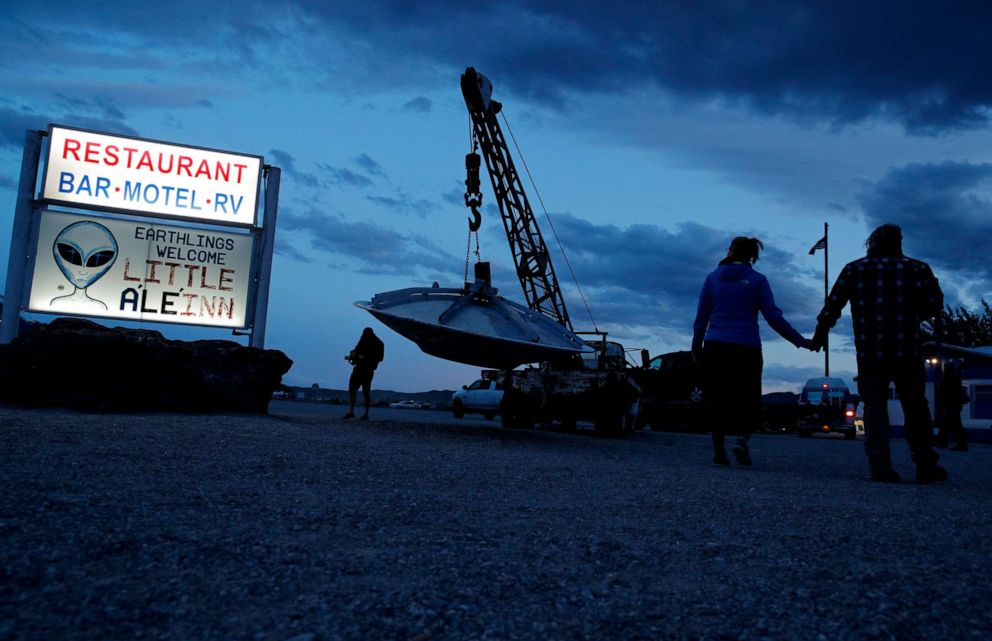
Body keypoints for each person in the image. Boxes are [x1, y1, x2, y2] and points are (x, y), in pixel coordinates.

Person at [812, 224, 946, 483]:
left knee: (875, 408)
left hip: (870, 352)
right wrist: (912, 314)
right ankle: (925, 464)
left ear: (871, 243)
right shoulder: (918, 269)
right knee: (916, 407)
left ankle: (880, 466)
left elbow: (833, 305)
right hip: (907, 349)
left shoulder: (854, 269)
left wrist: (820, 334)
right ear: (899, 242)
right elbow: (935, 304)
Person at [692, 236, 815, 467]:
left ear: (729, 251)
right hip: (746, 347)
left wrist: (696, 345)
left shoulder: (711, 279)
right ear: (752, 257)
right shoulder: (758, 280)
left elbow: (701, 318)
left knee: (717, 400)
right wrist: (800, 341)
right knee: (750, 399)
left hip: (715, 346)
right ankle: (741, 439)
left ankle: (719, 452)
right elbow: (774, 317)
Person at [344, 327, 384, 420]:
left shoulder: (378, 343)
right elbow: (356, 349)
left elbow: (380, 358)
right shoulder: (363, 341)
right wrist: (353, 354)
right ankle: (351, 412)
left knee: (366, 392)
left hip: (368, 370)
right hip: (358, 368)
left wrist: (366, 357)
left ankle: (365, 414)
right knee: (352, 389)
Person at [936, 358, 969, 451]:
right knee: (947, 424)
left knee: (955, 425)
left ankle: (961, 444)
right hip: (953, 405)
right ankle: (943, 442)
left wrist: (944, 403)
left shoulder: (950, 378)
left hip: (952, 405)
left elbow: (949, 393)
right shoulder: (954, 377)